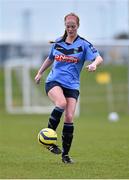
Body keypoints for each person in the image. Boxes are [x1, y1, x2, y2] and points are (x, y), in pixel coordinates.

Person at [35, 13, 103, 164]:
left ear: (78, 26)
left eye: (73, 26)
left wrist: (93, 64)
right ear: (65, 26)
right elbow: (50, 58)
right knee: (61, 103)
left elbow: (99, 57)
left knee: (69, 117)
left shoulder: (84, 44)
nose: (71, 28)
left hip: (72, 85)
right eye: (68, 26)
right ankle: (49, 141)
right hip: (54, 82)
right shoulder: (58, 42)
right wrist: (40, 73)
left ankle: (65, 156)